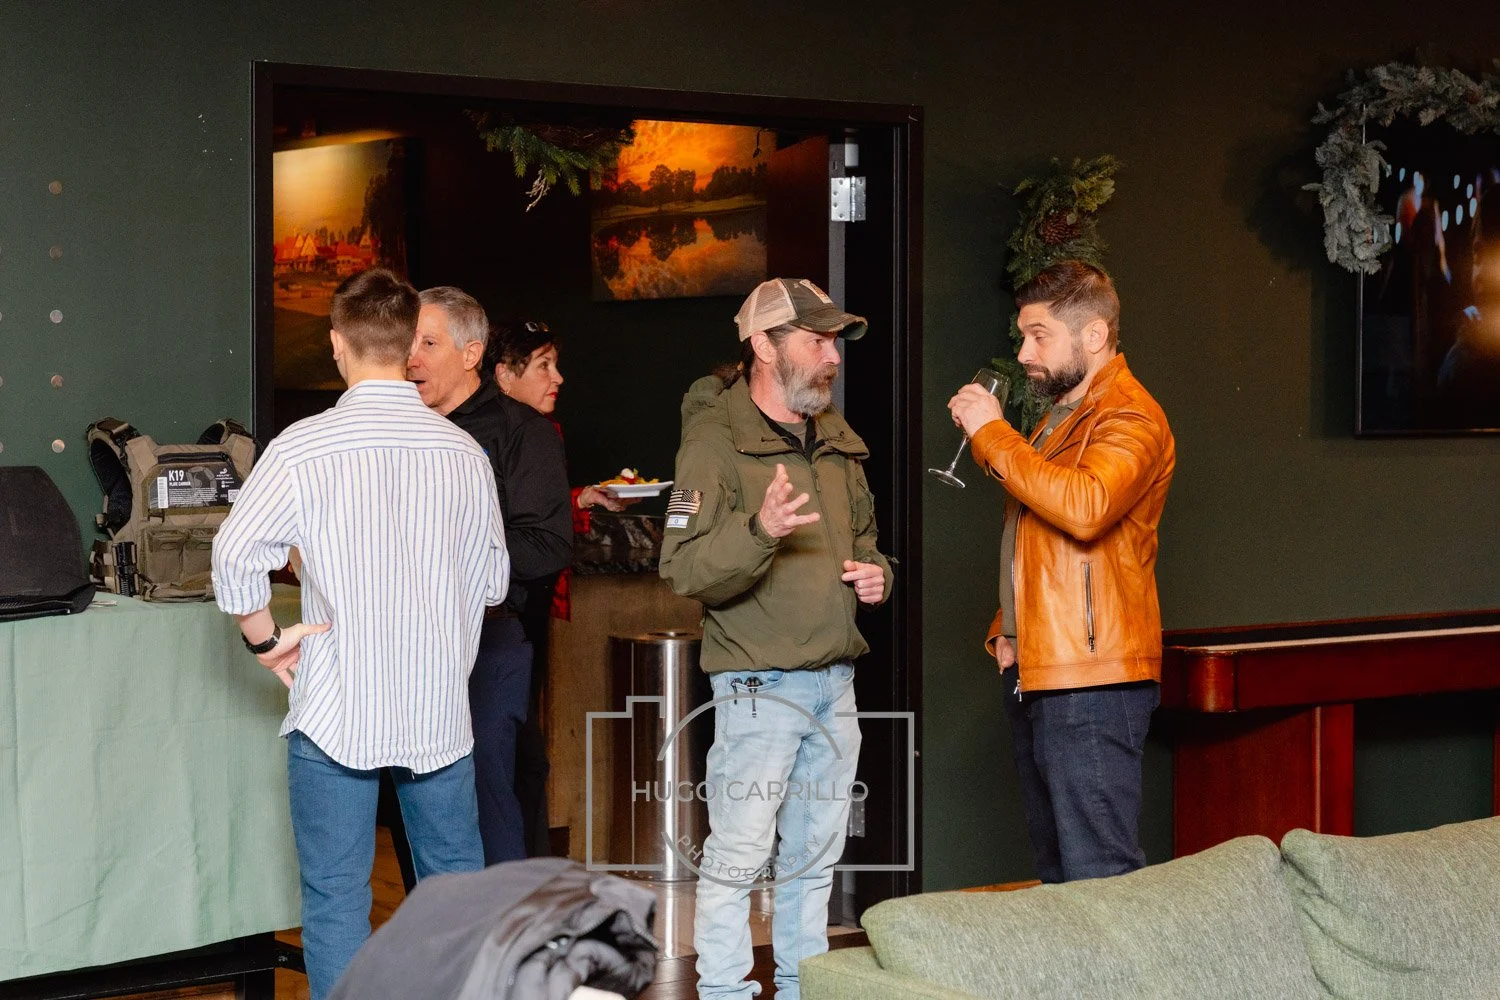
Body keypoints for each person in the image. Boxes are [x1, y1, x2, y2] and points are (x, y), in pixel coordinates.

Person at [211, 268, 509, 999]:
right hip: (438, 709)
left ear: (337, 343)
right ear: (410, 347)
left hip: (336, 706)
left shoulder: (303, 447)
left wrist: (265, 640)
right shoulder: (463, 454)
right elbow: (493, 583)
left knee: (336, 899)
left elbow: (234, 552)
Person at [659, 277, 893, 1000]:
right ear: (763, 345)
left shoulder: (836, 439)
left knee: (814, 861)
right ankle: (725, 992)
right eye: (817, 341)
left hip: (835, 685)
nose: (833, 357)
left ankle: (801, 989)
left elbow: (867, 542)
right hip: (758, 687)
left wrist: (879, 575)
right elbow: (682, 568)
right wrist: (760, 530)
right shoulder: (712, 441)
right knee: (737, 857)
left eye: (835, 342)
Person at [948, 259, 1175, 884]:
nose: (1024, 353)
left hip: (1092, 676)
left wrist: (993, 435)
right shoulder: (1059, 418)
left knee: (1099, 873)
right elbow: (1034, 532)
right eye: (1023, 335)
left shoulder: (1130, 415)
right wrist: (1009, 628)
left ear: (1094, 335)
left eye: (1039, 335)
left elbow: (1085, 508)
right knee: (1056, 873)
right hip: (1043, 664)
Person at [406, 287, 574, 866]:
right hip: (404, 642)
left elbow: (548, 545)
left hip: (487, 640)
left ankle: (503, 919)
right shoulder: (398, 428)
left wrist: (445, 556)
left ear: (472, 353)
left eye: (428, 343)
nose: (411, 358)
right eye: (408, 344)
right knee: (411, 799)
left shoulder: (522, 432)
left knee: (486, 797)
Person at [483, 318, 635, 857]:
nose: (559, 377)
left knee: (524, 752)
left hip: (527, 613)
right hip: (502, 616)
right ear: (504, 375)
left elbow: (533, 518)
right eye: (544, 365)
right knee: (512, 754)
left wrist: (579, 500)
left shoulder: (540, 431)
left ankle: (529, 869)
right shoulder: (494, 433)